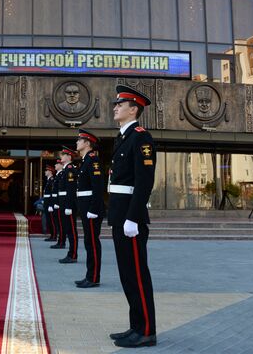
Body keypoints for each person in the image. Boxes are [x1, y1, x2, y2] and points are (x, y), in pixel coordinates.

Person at [107, 85, 157, 348]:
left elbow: (144, 181)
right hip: (119, 215)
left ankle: (147, 330)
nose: (115, 107)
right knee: (127, 275)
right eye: (116, 104)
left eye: (120, 104)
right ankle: (136, 325)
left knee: (137, 274)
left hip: (130, 218)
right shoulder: (122, 137)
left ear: (133, 108)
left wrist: (133, 217)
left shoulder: (141, 137)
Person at [74, 129, 105, 288]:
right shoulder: (86, 160)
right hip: (86, 207)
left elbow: (98, 187)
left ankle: (93, 277)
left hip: (91, 209)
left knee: (92, 242)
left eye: (79, 140)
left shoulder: (93, 160)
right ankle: (89, 275)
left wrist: (93, 209)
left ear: (87, 143)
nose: (77, 143)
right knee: (88, 241)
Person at [56, 146, 79, 264]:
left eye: (64, 154)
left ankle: (73, 254)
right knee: (67, 228)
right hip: (64, 202)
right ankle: (71, 253)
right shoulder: (66, 170)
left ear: (69, 157)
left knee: (71, 230)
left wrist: (69, 206)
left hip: (68, 203)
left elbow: (71, 189)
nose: (61, 156)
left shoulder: (70, 169)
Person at [49, 158, 66, 249]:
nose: (55, 166)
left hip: (59, 202)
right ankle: (60, 241)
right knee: (58, 223)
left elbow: (61, 191)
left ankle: (62, 241)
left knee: (60, 223)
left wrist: (58, 203)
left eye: (56, 164)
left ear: (60, 165)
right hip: (56, 202)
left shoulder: (62, 174)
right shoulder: (58, 175)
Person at [43, 165, 57, 241]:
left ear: (50, 172)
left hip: (50, 203)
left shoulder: (52, 180)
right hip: (47, 202)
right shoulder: (49, 180)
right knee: (49, 220)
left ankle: (54, 236)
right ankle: (52, 235)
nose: (45, 172)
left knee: (52, 221)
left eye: (46, 170)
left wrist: (51, 205)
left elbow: (52, 194)